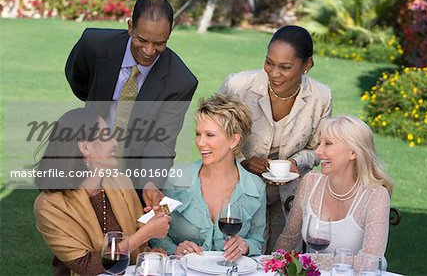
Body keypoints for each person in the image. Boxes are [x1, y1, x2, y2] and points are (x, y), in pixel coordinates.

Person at [65, 0, 198, 208]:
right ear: (130, 27)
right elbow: (77, 79)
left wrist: (151, 182)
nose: (149, 51)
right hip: (87, 160)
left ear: (170, 33)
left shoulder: (180, 82)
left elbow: (162, 141)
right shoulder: (94, 44)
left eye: (159, 43)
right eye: (142, 40)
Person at [219, 25, 332, 252]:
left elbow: (316, 147)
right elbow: (216, 135)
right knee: (238, 254)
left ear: (307, 65)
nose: (274, 73)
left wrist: (295, 163)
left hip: (290, 195)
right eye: (269, 62)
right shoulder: (238, 86)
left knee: (282, 260)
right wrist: (243, 160)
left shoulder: (321, 96)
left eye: (285, 67)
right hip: (241, 189)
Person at [33, 108, 171, 276]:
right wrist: (145, 234)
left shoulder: (120, 181)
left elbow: (140, 248)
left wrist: (151, 252)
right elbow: (86, 266)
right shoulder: (49, 206)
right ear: (85, 147)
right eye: (106, 135)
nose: (114, 142)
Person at [150, 94, 266, 261]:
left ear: (233, 140)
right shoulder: (176, 178)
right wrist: (175, 249)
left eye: (209, 135)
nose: (200, 142)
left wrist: (245, 246)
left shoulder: (256, 188)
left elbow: (257, 241)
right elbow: (154, 231)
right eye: (198, 134)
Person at [275, 115, 393, 268]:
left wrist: (312, 261)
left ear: (353, 153)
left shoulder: (375, 195)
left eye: (328, 144)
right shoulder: (311, 182)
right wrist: (272, 264)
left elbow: (370, 261)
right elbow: (288, 239)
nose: (318, 151)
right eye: (319, 143)